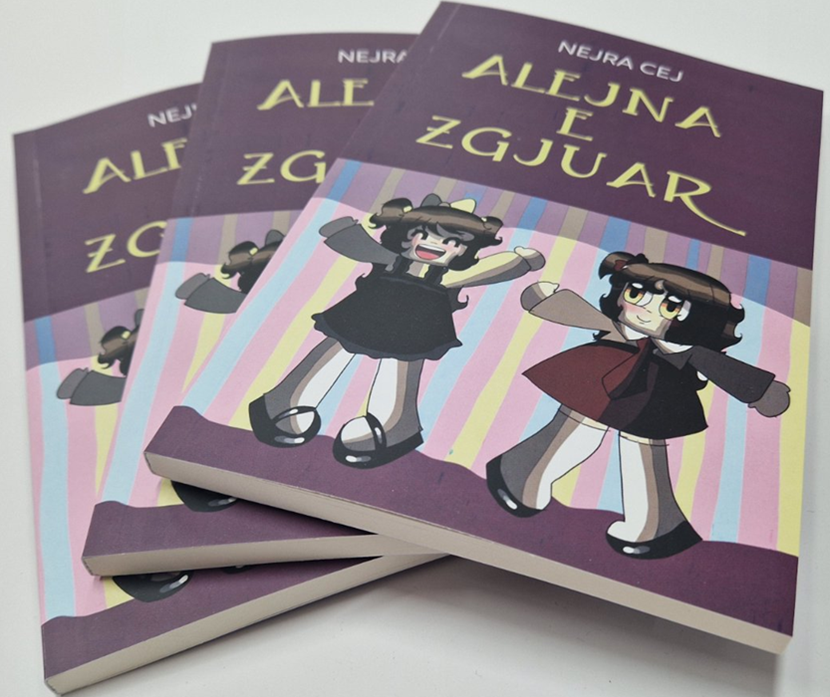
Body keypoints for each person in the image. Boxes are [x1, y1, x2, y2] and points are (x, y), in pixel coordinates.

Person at [486, 251, 790, 559]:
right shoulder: (619, 330)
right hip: (603, 372)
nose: (645, 309)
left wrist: (761, 391)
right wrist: (545, 301)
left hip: (657, 392)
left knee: (642, 454)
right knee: (575, 430)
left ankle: (655, 526)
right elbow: (583, 314)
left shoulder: (684, 350)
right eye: (636, 294)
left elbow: (723, 369)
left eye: (669, 306)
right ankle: (520, 477)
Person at [249, 193, 545, 468]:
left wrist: (522, 261)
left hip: (419, 319)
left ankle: (393, 423)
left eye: (453, 242)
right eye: (424, 234)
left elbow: (487, 271)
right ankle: (286, 399)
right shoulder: (391, 260)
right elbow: (356, 244)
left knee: (403, 362)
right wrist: (342, 229)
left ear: (464, 250)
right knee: (338, 346)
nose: (437, 244)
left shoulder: (447, 276)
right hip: (371, 305)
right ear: (408, 236)